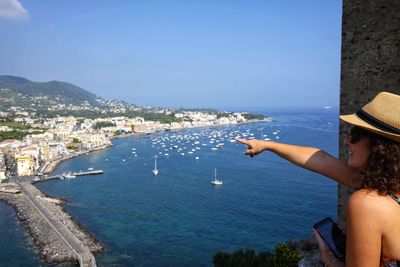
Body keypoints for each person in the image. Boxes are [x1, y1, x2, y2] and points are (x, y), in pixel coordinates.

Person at [236, 91, 400, 267]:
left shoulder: (369, 203)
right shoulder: (388, 188)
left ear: (381, 148)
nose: (347, 140)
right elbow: (321, 160)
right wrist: (267, 145)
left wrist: (328, 258)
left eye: (356, 134)